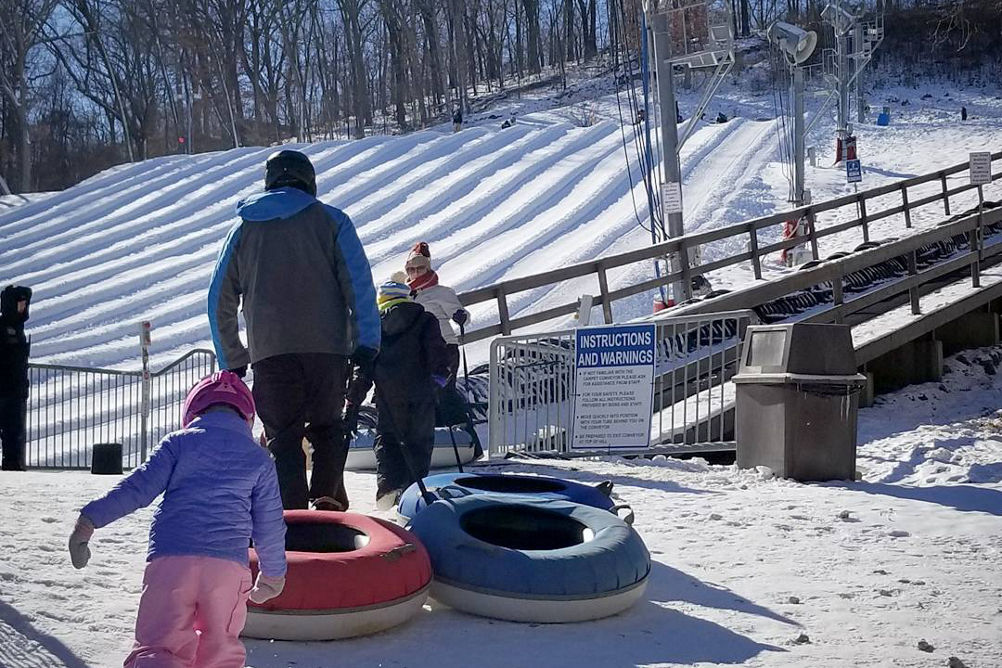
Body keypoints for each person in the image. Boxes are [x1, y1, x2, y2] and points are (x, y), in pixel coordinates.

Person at [67, 371, 287, 668]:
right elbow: (269, 525)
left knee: (159, 645)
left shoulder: (178, 444)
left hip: (171, 562)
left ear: (192, 412)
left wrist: (88, 521)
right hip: (227, 569)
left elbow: (137, 488)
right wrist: (273, 575)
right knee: (220, 648)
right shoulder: (259, 459)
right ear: (247, 418)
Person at [208, 149, 380, 512]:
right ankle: (328, 507)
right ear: (309, 181)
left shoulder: (243, 229)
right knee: (328, 429)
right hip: (328, 351)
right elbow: (360, 286)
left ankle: (290, 521)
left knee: (283, 440)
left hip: (270, 354)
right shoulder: (333, 222)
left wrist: (232, 357)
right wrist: (367, 343)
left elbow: (218, 297)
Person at [343, 280, 449, 509]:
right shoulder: (426, 320)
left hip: (388, 397)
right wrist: (438, 379)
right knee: (419, 442)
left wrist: (354, 398)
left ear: (381, 300)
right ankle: (414, 494)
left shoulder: (375, 326)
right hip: (421, 393)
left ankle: (388, 487)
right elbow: (438, 354)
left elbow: (365, 366)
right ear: (407, 296)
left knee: (387, 440)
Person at [1, 285, 32, 471]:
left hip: (15, 390)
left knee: (14, 433)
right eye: (19, 303)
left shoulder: (17, 328)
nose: (23, 307)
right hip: (6, 389)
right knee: (10, 431)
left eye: (24, 304)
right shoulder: (4, 327)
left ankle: (13, 465)